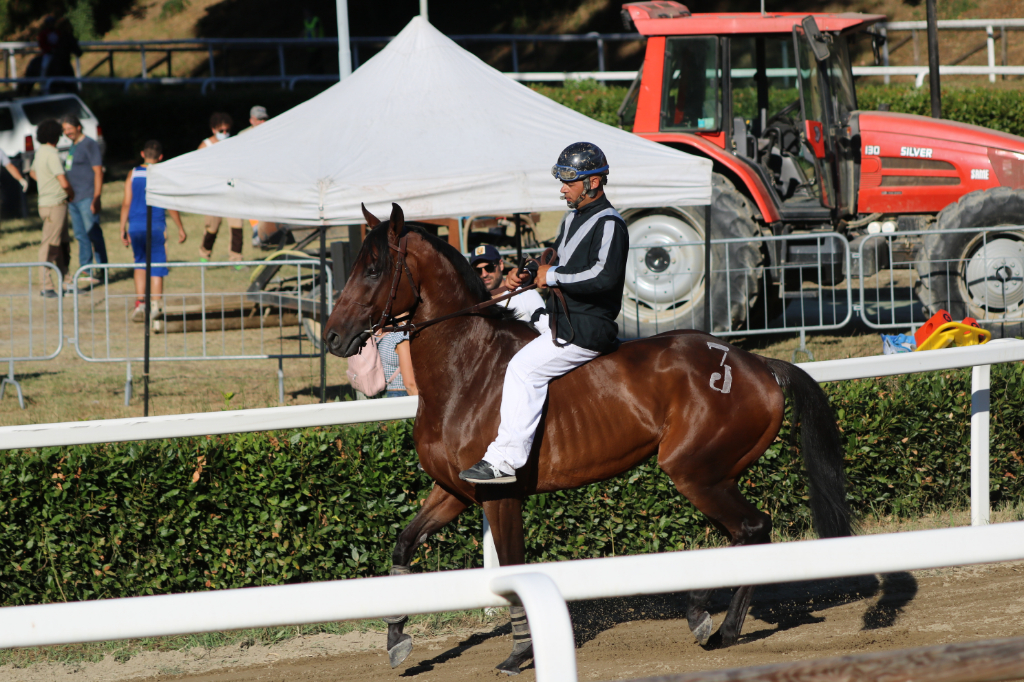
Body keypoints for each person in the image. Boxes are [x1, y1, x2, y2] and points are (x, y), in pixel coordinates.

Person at [459, 142, 627, 484]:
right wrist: (531, 269)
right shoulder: (572, 219)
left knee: (521, 369)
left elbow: (604, 277)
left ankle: (505, 462)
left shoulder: (610, 223)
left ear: (593, 183)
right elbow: (558, 260)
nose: (562, 188)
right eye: (562, 180)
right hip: (561, 322)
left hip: (587, 327)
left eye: (569, 180)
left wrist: (549, 276)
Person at [120, 140, 187, 322]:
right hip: (156, 226)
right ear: (161, 157)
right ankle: (156, 306)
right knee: (157, 265)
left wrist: (122, 227)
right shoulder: (161, 175)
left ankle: (140, 304)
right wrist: (180, 227)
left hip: (135, 226)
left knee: (140, 263)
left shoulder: (133, 174)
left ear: (142, 154)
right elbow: (169, 203)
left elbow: (126, 202)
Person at [29, 118, 73, 297]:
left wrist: (45, 182)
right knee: (50, 245)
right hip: (55, 204)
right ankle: (45, 285)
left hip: (46, 202)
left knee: (62, 245)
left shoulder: (40, 152)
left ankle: (67, 281)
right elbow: (62, 180)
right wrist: (71, 193)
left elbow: (32, 172)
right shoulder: (52, 154)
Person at [62, 115, 107, 284]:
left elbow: (98, 172)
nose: (67, 133)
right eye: (64, 130)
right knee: (81, 235)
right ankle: (85, 269)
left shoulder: (90, 144)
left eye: (69, 129)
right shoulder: (73, 146)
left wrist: (96, 197)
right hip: (74, 199)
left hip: (87, 197)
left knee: (94, 233)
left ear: (78, 127)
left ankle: (103, 269)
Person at [196, 112, 243, 262]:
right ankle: (204, 254)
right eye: (221, 131)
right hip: (213, 193)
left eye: (227, 131)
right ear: (213, 129)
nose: (224, 133)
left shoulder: (233, 144)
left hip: (231, 190)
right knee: (212, 228)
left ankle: (236, 259)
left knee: (237, 227)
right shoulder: (205, 146)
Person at [470, 244, 548, 334]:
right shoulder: (475, 303)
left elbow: (546, 329)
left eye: (489, 268)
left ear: (501, 265)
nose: (484, 274)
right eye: (478, 270)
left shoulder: (526, 294)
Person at [238, 106, 281, 248]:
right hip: (249, 177)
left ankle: (268, 233)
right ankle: (257, 232)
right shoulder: (243, 136)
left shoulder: (273, 134)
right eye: (259, 119)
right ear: (251, 120)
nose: (263, 122)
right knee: (252, 205)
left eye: (265, 119)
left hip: (267, 176)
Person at [377, 330, 417, 398]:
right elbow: (410, 384)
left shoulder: (379, 334)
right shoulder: (401, 336)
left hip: (386, 393)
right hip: (403, 393)